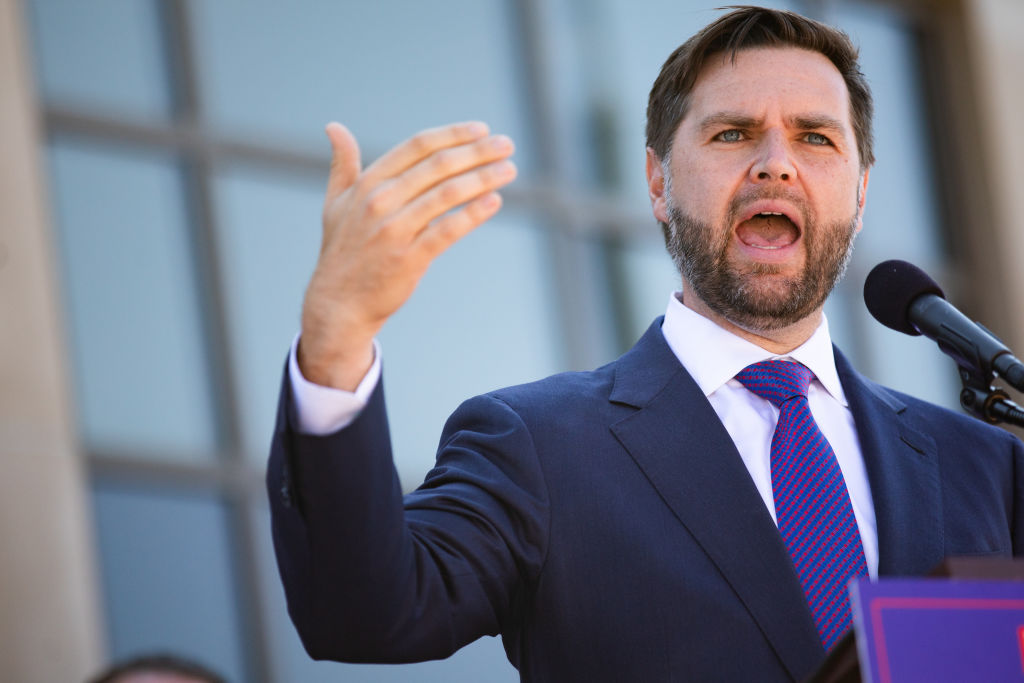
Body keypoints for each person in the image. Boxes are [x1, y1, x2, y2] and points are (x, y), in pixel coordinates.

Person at [267, 6, 1024, 681]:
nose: (775, 161)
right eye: (731, 133)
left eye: (815, 137)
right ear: (659, 183)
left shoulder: (984, 467)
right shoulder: (539, 445)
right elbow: (363, 613)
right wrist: (336, 342)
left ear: (859, 195)